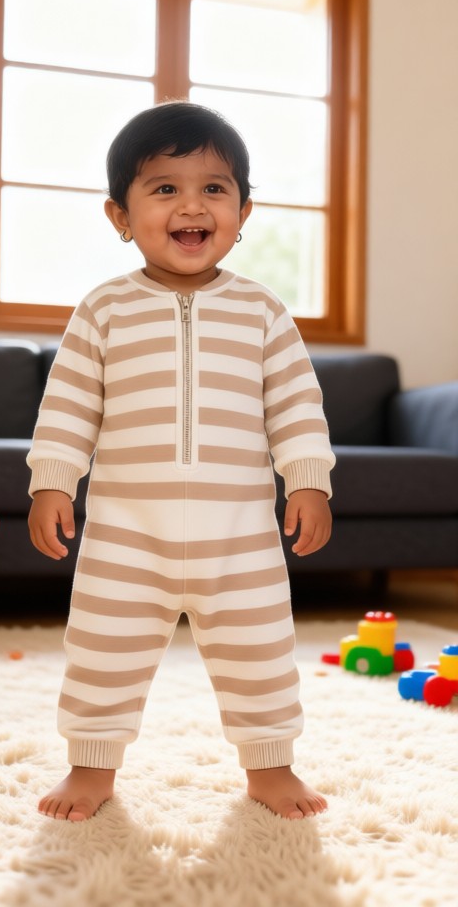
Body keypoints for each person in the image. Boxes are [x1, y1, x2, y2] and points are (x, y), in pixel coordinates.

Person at [27, 101, 335, 824]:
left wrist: (308, 479)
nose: (191, 204)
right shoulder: (103, 310)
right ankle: (90, 764)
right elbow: (68, 407)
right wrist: (52, 480)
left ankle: (272, 764)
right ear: (120, 216)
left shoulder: (264, 312)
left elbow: (296, 404)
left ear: (243, 209)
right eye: (164, 188)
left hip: (241, 534)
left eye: (214, 188)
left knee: (261, 651)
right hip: (126, 533)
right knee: (103, 648)